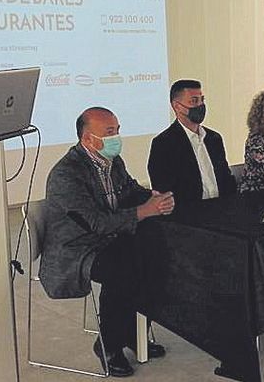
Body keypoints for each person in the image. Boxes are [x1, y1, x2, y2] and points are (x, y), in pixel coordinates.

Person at [40, 107, 172, 377]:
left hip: (110, 237)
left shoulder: (112, 161)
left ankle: (134, 333)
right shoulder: (67, 174)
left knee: (156, 253)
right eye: (110, 132)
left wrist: (155, 197)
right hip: (77, 248)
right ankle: (108, 345)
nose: (117, 137)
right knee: (123, 270)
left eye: (117, 130)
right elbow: (95, 223)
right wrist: (144, 210)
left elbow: (131, 190)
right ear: (88, 139)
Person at [148, 79, 237, 203]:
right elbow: (164, 191)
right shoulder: (163, 144)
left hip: (222, 209)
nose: (200, 105)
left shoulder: (214, 138)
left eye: (202, 100)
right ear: (177, 106)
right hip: (188, 216)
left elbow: (225, 178)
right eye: (194, 101)